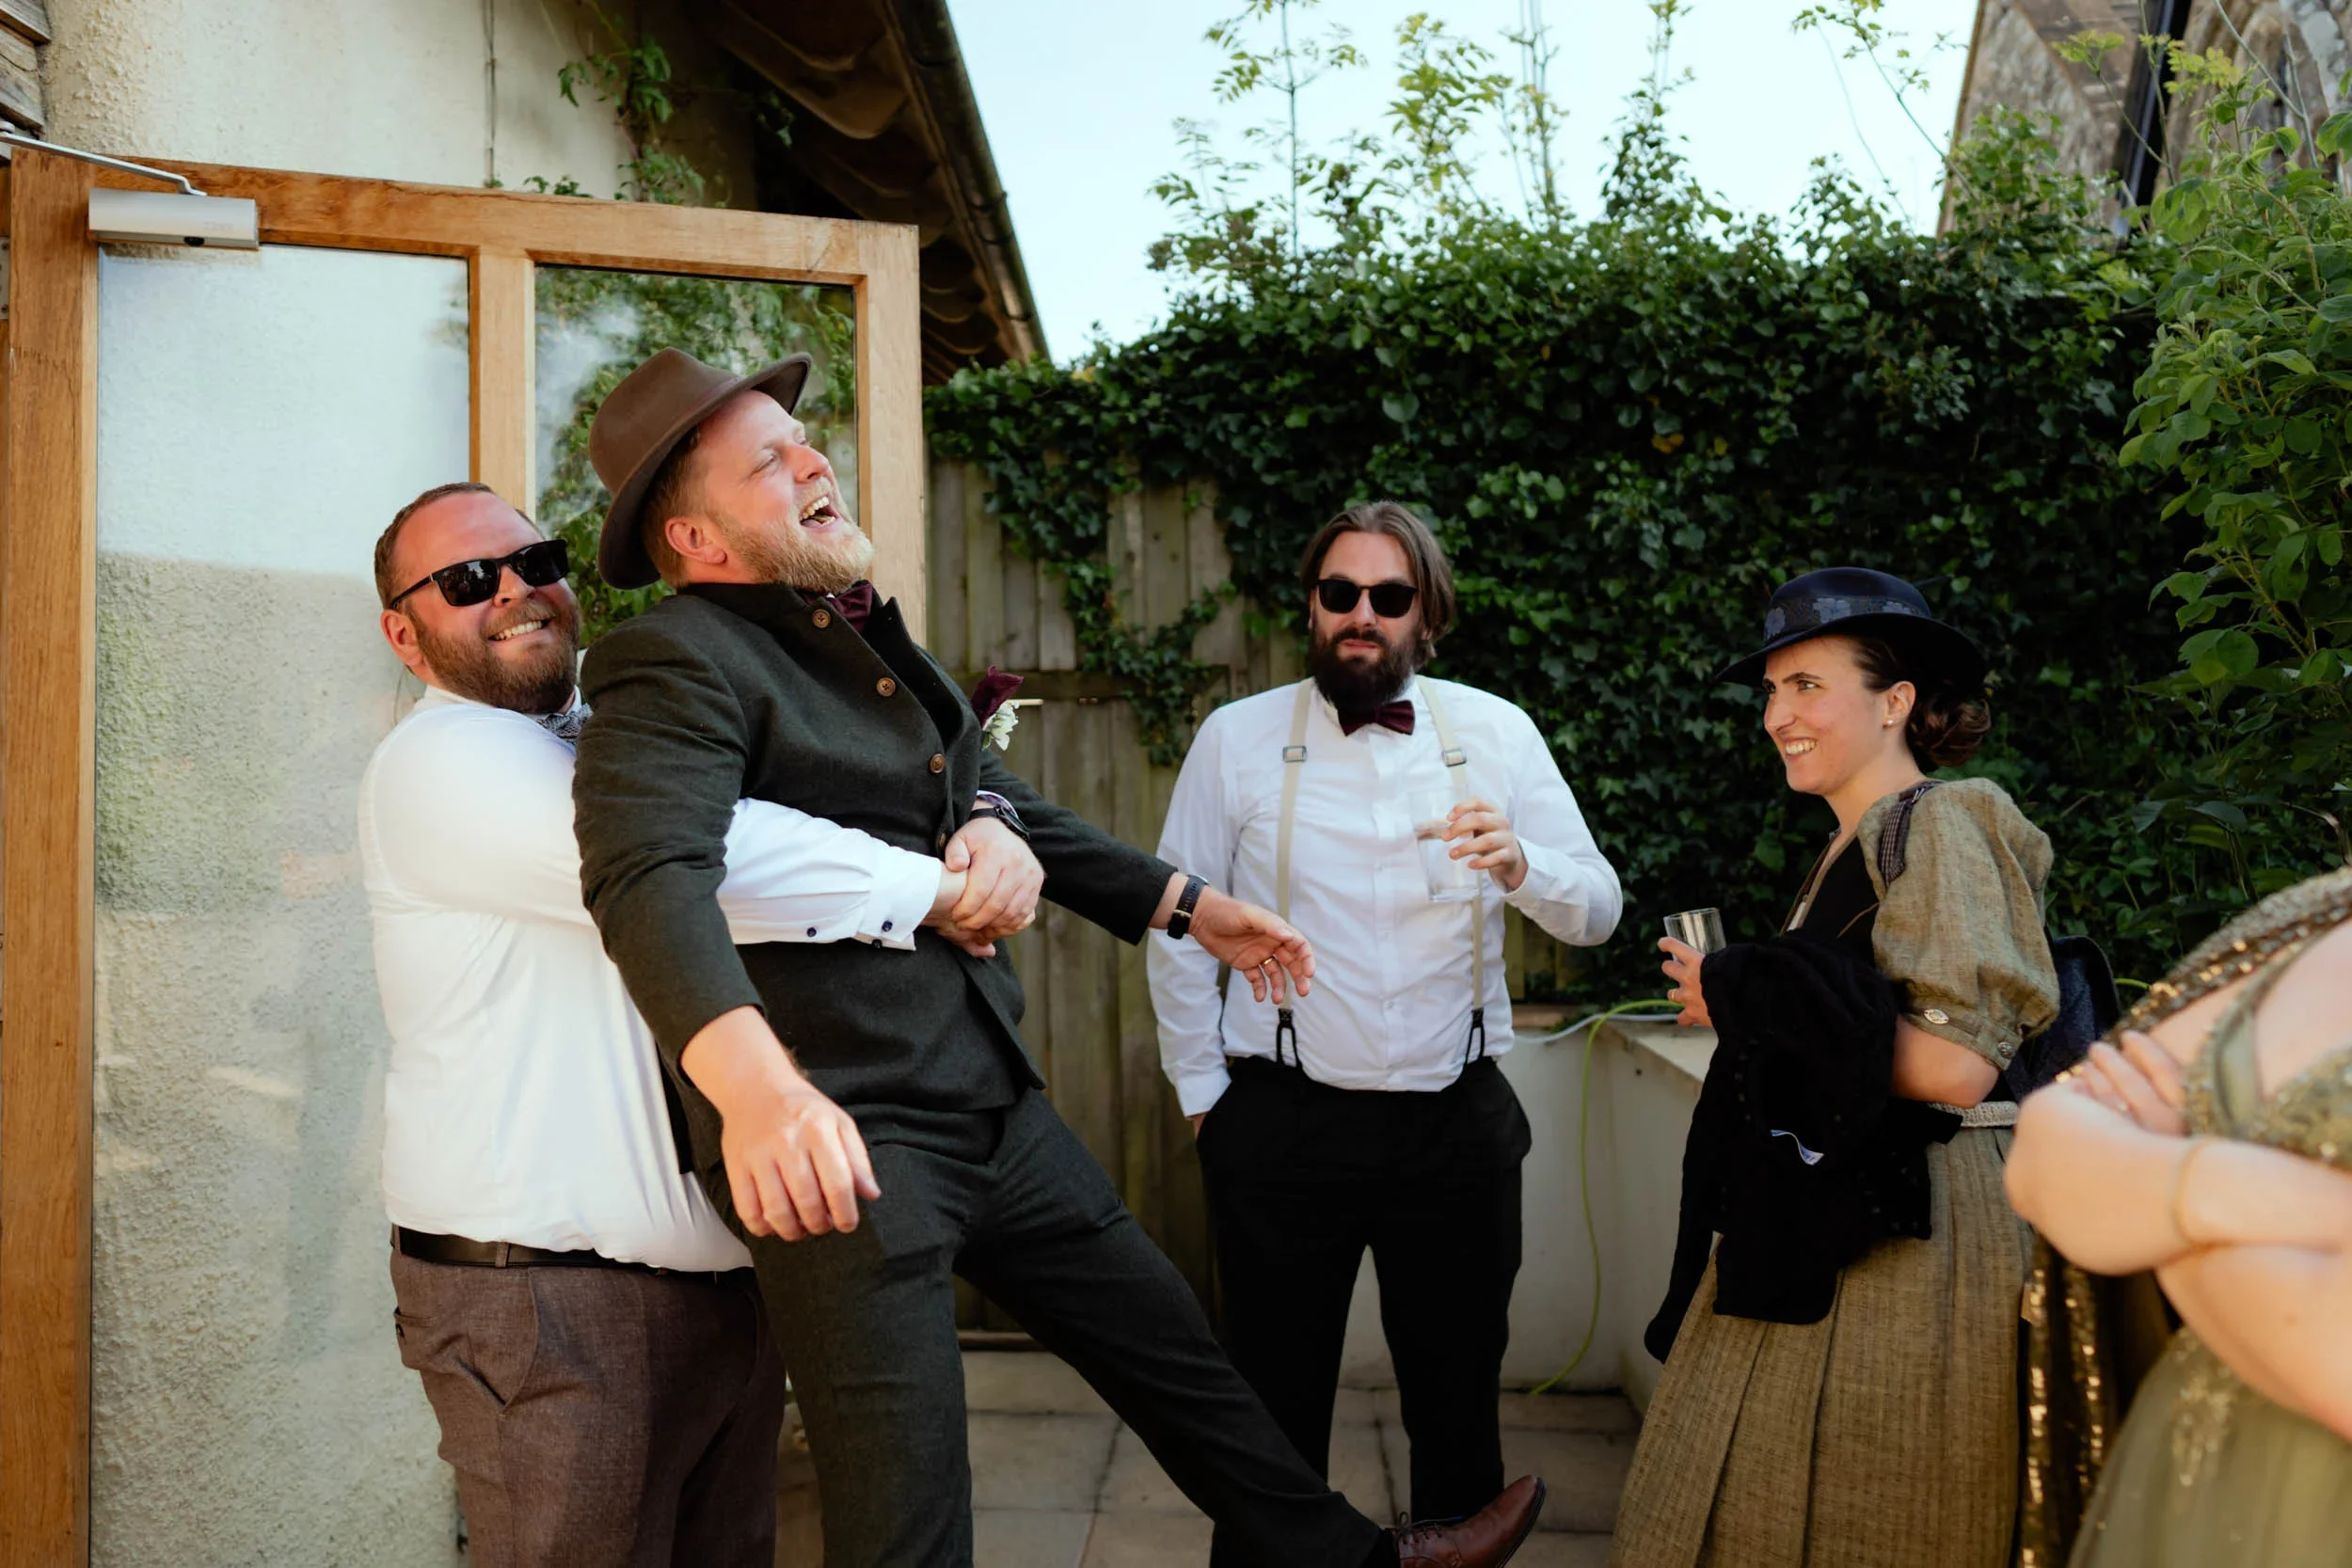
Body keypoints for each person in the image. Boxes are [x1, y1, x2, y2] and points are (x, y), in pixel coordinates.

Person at [566, 347, 1549, 1568]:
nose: (816, 460)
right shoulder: (672, 659)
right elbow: (642, 871)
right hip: (849, 1148)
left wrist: (1189, 905)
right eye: (770, 461)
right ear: (696, 538)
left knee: (1187, 1365)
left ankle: (1356, 1559)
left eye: (802, 438)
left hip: (994, 1108)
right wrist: (755, 1088)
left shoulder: (859, 634)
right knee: (907, 1517)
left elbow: (984, 782)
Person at [360, 482, 1020, 1565]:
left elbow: (823, 786)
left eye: (539, 559)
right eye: (471, 580)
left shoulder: (604, 733)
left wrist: (988, 813)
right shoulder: (441, 759)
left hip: (723, 1290)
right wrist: (938, 889)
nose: (519, 590)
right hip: (547, 1306)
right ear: (405, 633)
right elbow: (708, 862)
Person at [1149, 499, 1621, 1553]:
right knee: (1269, 1420)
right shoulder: (1235, 739)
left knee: (1457, 1407)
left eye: (1388, 596)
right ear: (1311, 607)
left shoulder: (1496, 731)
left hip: (1453, 1127)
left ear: (1427, 615)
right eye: (1339, 593)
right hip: (1279, 1122)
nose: (1361, 614)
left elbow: (1597, 906)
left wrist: (1521, 865)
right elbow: (1176, 926)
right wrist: (1202, 1101)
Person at [1611, 567, 2059, 1568]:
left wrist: (1743, 999)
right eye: (1771, 691)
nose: (1777, 714)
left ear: (1895, 699)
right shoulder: (1847, 844)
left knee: (1885, 1511)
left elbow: (1953, 1064)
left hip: (1920, 1234)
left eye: (1807, 684)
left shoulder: (1941, 819)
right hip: (1844, 1210)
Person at [2004, 866, 2352, 1566]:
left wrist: (2151, 1186)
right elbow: (2045, 1146)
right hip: (2173, 1492)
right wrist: (2218, 1184)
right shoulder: (2325, 911)